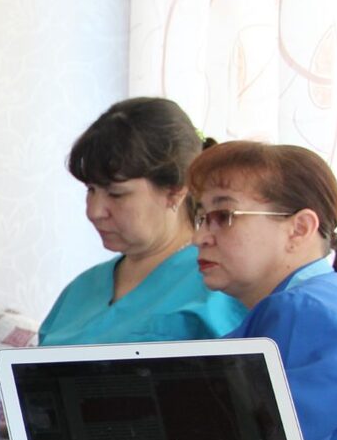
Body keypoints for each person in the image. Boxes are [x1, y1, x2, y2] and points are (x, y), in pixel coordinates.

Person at [188, 140, 337, 440]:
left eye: (223, 215)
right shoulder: (319, 300)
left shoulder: (306, 310)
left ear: (299, 229)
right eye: (201, 217)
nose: (199, 237)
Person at [39, 97, 245, 346]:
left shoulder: (217, 285)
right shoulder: (81, 290)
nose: (94, 211)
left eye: (116, 194)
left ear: (175, 191)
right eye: (91, 190)